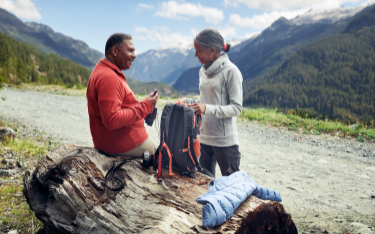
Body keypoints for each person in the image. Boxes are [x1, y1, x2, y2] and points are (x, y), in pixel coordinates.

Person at [181, 28, 243, 177]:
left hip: (225, 142)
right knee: (204, 184)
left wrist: (205, 108)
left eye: (199, 51)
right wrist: (186, 102)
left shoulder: (231, 71)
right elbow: (205, 102)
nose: (196, 55)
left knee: (232, 185)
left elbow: (236, 108)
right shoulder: (202, 71)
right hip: (204, 137)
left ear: (213, 50)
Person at [86, 33, 159, 157]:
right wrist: (145, 107)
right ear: (115, 51)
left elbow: (119, 107)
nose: (134, 55)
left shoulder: (104, 70)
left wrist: (143, 109)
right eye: (130, 50)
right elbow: (112, 120)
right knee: (167, 160)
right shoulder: (109, 77)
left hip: (113, 141)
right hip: (125, 142)